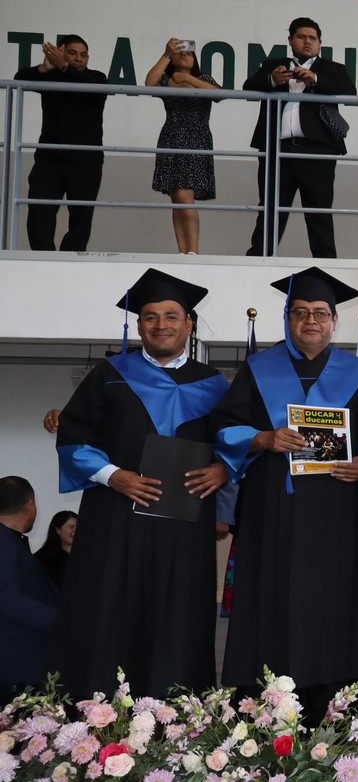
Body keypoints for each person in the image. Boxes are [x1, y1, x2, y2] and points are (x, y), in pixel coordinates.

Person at [51, 270, 229, 698]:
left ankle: (176, 714)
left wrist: (224, 469)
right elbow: (73, 438)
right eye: (151, 316)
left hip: (183, 526)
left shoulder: (215, 385)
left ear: (189, 324)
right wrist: (115, 476)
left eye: (171, 316)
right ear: (139, 325)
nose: (161, 324)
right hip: (115, 520)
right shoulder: (110, 374)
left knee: (180, 612)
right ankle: (100, 712)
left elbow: (237, 442)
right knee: (110, 608)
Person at [212, 268, 358, 708]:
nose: (311, 320)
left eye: (321, 313)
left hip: (336, 507)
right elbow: (224, 429)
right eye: (301, 312)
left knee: (334, 598)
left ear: (334, 322)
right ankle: (263, 702)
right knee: (268, 594)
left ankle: (333, 704)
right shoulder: (258, 369)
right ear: (288, 318)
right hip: (272, 504)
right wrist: (263, 438)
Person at [243, 17, 356, 258]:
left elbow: (349, 91)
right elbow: (248, 87)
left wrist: (315, 79)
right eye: (301, 37)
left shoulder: (332, 69)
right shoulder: (273, 65)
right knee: (270, 210)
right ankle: (258, 261)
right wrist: (272, 80)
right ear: (290, 40)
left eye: (312, 38)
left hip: (317, 151)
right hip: (277, 149)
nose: (307, 42)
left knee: (319, 212)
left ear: (319, 43)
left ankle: (325, 265)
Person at [14, 35, 107, 252]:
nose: (78, 59)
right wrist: (45, 68)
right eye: (72, 53)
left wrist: (64, 66)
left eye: (83, 55)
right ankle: (43, 259)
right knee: (39, 213)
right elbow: (20, 78)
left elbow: (89, 86)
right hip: (50, 159)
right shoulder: (51, 77)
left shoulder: (96, 77)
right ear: (61, 53)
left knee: (81, 217)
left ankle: (70, 260)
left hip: (86, 160)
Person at [145, 37, 220, 255]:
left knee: (186, 198)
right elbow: (149, 82)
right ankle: (182, 251)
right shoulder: (166, 79)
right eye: (180, 53)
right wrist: (167, 54)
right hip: (171, 137)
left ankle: (193, 251)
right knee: (177, 198)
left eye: (189, 53)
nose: (185, 55)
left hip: (196, 139)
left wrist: (187, 78)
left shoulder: (203, 78)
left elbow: (218, 94)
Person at [0, 477, 59, 697]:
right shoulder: (4, 543)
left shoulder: (10, 541)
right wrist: (63, 620)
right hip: (15, 669)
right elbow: (9, 600)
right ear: (29, 504)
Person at [33, 509, 76, 593]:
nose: (76, 530)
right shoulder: (42, 559)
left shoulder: (87, 557)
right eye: (71, 527)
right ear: (58, 530)